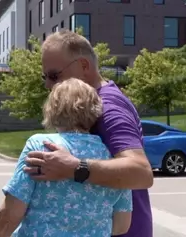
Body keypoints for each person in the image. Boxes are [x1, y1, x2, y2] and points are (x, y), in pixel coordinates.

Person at [24, 30, 153, 237]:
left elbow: (141, 172)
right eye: (45, 77)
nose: (48, 84)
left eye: (54, 75)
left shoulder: (108, 108)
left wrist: (75, 167)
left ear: (84, 66)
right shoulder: (95, 101)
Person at [0, 78, 133, 237]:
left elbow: (8, 217)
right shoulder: (114, 160)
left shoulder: (41, 146)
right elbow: (122, 225)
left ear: (53, 109)